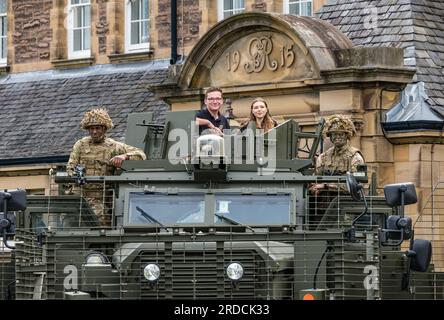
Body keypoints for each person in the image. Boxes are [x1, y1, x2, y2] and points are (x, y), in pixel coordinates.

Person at [66, 108, 147, 226]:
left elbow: (141, 155)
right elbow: (71, 166)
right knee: (69, 224)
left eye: (97, 128)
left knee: (99, 225)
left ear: (104, 129)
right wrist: (74, 174)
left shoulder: (114, 147)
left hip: (100, 198)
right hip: (80, 195)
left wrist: (125, 156)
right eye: (91, 128)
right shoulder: (80, 145)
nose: (94, 132)